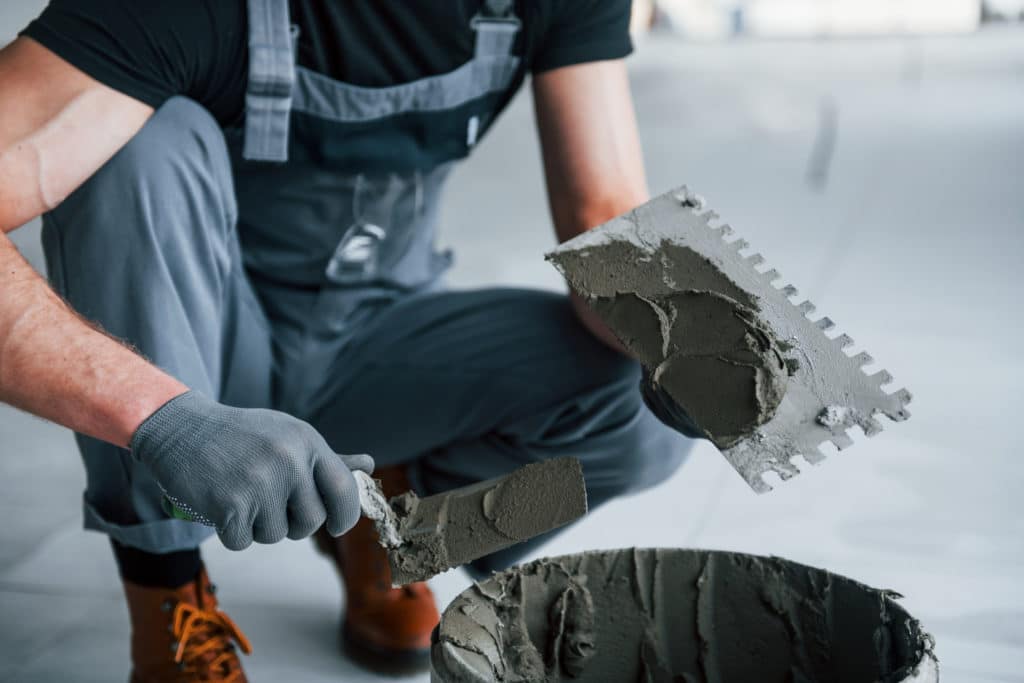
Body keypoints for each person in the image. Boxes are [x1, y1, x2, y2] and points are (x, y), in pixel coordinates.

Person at [0, 0, 692, 679]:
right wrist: (158, 415)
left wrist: (691, 338)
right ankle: (167, 601)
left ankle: (390, 526)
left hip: (378, 344)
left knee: (638, 406)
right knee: (139, 139)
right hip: (196, 351)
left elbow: (602, 210)